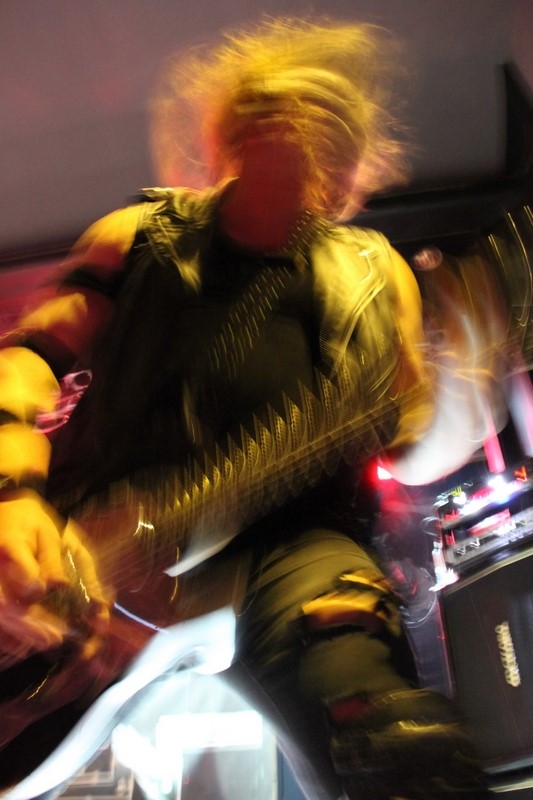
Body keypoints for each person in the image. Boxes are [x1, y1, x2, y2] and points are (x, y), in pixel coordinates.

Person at [0, 17, 507, 800]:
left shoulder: (376, 274)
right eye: (276, 102)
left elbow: (411, 450)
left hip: (295, 550)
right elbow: (27, 362)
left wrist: (460, 402)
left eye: (326, 115)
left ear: (348, 168)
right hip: (88, 542)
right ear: (225, 131)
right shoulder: (139, 235)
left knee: (391, 744)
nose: (297, 117)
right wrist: (13, 497)